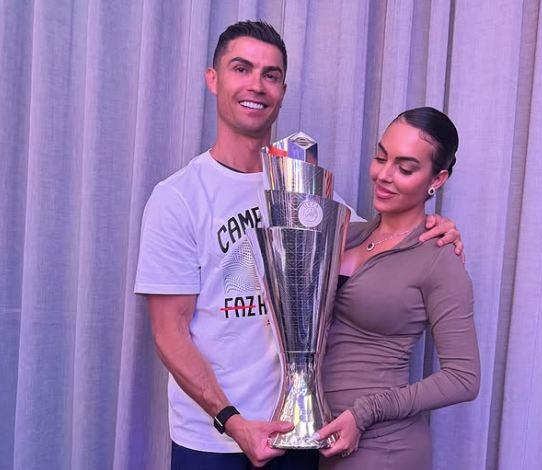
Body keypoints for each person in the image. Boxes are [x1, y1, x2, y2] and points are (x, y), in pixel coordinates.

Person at [134, 21, 464, 470]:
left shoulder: (310, 191)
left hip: (301, 432)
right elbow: (169, 332)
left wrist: (435, 230)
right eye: (241, 68)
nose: (256, 85)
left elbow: (383, 245)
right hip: (213, 439)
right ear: (213, 79)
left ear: (283, 91)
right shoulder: (177, 198)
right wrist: (232, 421)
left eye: (270, 75)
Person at [316, 107, 480, 469]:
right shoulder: (348, 233)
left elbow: (464, 378)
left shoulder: (439, 257)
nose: (384, 175)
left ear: (437, 179)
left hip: (382, 447)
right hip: (320, 439)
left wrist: (365, 413)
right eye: (380, 158)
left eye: (405, 168)